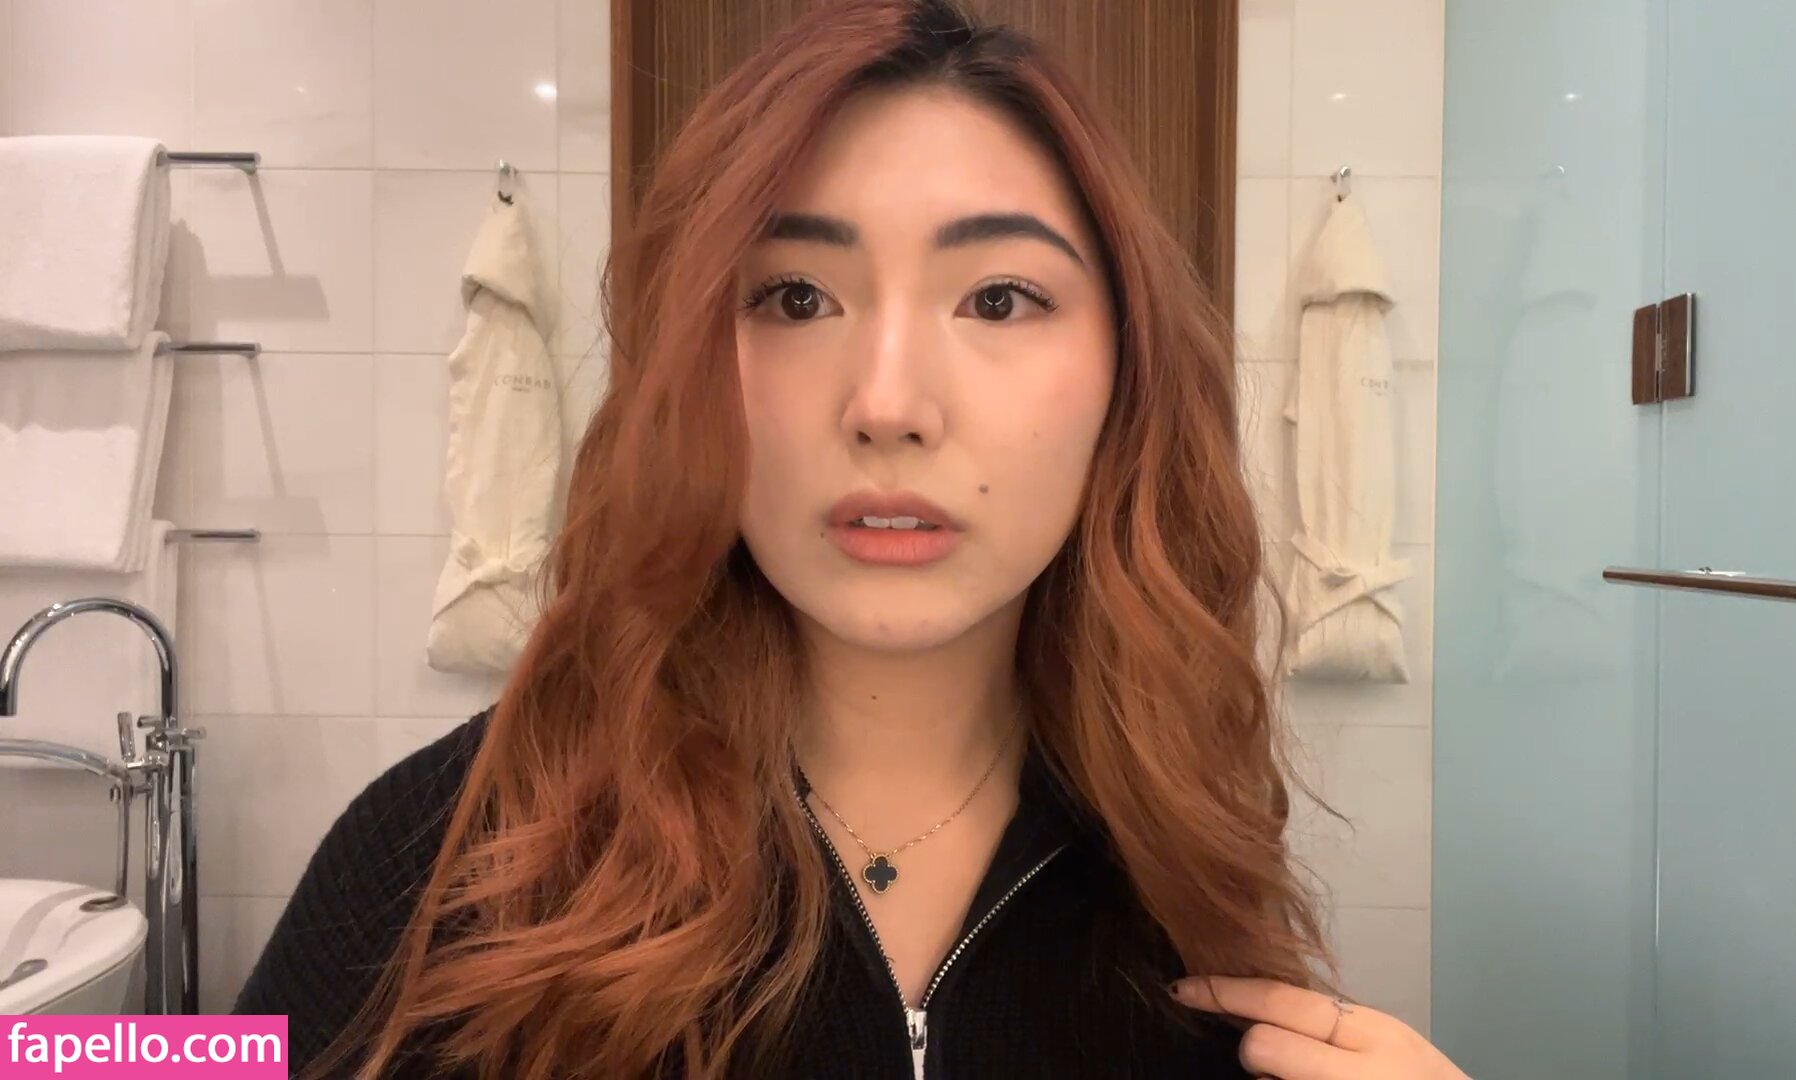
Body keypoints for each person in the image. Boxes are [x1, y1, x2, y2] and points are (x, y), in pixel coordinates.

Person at [235, 2, 1471, 1078]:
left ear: (1124, 378)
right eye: (794, 298)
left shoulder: (1183, 855)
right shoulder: (448, 850)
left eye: (999, 299)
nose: (887, 403)